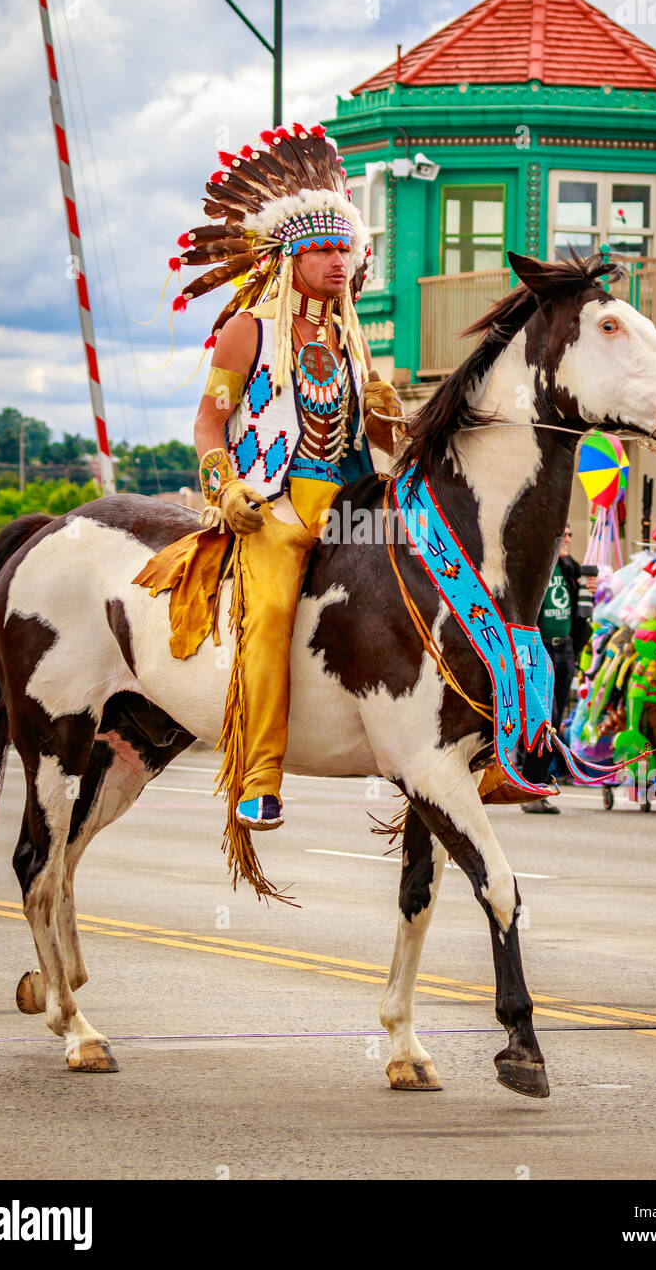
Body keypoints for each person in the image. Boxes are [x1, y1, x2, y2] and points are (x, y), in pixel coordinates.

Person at [187, 123, 403, 832]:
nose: (340, 262)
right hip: (272, 504)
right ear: (292, 255)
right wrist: (226, 488)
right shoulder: (247, 330)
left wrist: (389, 421)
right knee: (270, 616)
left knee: (427, 572)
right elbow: (209, 426)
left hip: (343, 501)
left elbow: (373, 446)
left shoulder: (352, 339)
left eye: (347, 248)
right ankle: (258, 775)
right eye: (325, 249)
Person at [522, 524, 597, 814]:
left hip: (565, 648)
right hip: (539, 649)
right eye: (562, 533)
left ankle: (538, 788)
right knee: (545, 719)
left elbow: (582, 612)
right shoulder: (535, 568)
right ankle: (530, 790)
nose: (567, 538)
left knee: (554, 720)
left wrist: (589, 592)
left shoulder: (570, 568)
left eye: (569, 533)